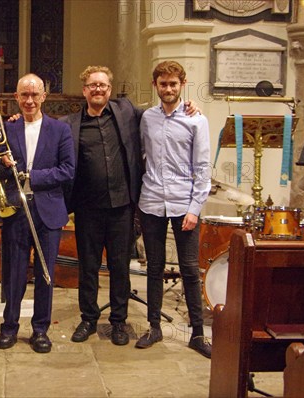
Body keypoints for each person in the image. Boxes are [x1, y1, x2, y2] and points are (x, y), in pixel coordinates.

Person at [60, 65, 199, 346]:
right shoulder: (69, 123)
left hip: (122, 207)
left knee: (120, 267)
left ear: (110, 90)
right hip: (87, 209)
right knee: (87, 267)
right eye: (92, 85)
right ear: (84, 90)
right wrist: (17, 119)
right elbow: (43, 128)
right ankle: (88, 319)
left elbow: (164, 112)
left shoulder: (126, 112)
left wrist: (188, 106)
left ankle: (118, 322)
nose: (98, 89)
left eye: (103, 85)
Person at [136, 60, 212, 358]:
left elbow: (203, 167)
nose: (168, 89)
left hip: (184, 204)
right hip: (152, 201)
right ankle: (154, 326)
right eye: (163, 83)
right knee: (153, 268)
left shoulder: (197, 120)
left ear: (182, 85)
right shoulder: (147, 118)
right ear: (155, 85)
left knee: (190, 270)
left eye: (173, 84)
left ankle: (197, 334)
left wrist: (195, 208)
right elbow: (142, 154)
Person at [0, 74, 75, 354]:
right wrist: (4, 166)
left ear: (44, 96)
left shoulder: (60, 130)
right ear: (16, 98)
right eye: (23, 95)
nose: (29, 100)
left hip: (48, 211)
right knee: (14, 273)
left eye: (34, 95)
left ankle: (40, 329)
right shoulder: (7, 128)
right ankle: (9, 326)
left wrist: (32, 176)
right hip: (16, 210)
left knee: (44, 273)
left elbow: (68, 170)